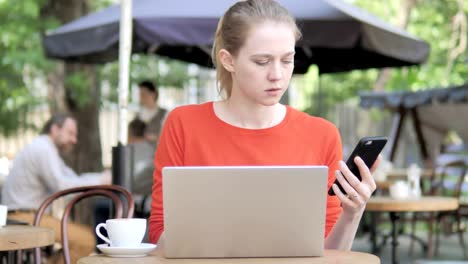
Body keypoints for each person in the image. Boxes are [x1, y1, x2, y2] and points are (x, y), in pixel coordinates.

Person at [149, 0, 380, 250]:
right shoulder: (183, 124)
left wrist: (352, 214)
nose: (277, 75)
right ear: (228, 61)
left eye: (287, 60)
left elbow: (328, 253)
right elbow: (160, 231)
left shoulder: (322, 135)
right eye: (262, 61)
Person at [1, 113, 111, 263]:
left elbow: (73, 178)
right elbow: (62, 186)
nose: (74, 140)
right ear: (54, 129)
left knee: (83, 236)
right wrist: (101, 180)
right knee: (86, 240)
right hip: (23, 217)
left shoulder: (47, 149)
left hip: (29, 215)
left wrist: (102, 177)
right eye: (70, 133)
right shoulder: (43, 149)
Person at [135, 80, 168, 144]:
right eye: (140, 94)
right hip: (140, 151)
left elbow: (168, 136)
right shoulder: (138, 115)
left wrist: (155, 138)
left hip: (158, 151)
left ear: (153, 94)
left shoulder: (165, 114)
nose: (141, 97)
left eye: (143, 94)